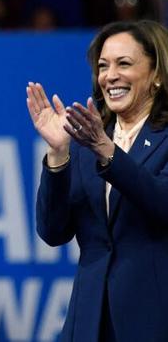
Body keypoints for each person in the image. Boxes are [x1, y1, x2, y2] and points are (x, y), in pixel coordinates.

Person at [27, 19, 168, 341]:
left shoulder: (108, 143)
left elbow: (162, 204)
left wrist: (108, 153)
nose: (110, 76)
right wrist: (59, 153)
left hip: (154, 321)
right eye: (103, 66)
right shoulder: (87, 142)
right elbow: (53, 231)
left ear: (157, 75)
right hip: (88, 321)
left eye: (124, 63)